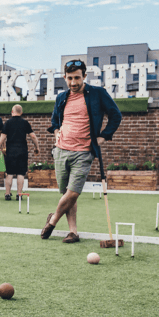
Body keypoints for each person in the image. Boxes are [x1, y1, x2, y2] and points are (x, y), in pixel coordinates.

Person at [41, 59, 122, 243]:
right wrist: (56, 133)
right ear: (64, 77)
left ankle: (52, 220)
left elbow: (116, 115)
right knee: (67, 194)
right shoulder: (62, 97)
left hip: (84, 151)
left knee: (74, 192)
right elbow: (55, 121)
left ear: (84, 76)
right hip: (61, 150)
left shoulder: (97, 94)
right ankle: (73, 232)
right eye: (69, 78)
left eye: (77, 78)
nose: (73, 82)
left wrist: (103, 136)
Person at [0, 104, 40, 201]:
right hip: (22, 151)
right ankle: (19, 194)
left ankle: (7, 194)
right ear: (21, 113)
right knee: (21, 173)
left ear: (12, 112)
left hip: (10, 152)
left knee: (10, 173)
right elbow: (33, 136)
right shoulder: (25, 123)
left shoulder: (7, 123)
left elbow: (3, 137)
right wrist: (37, 147)